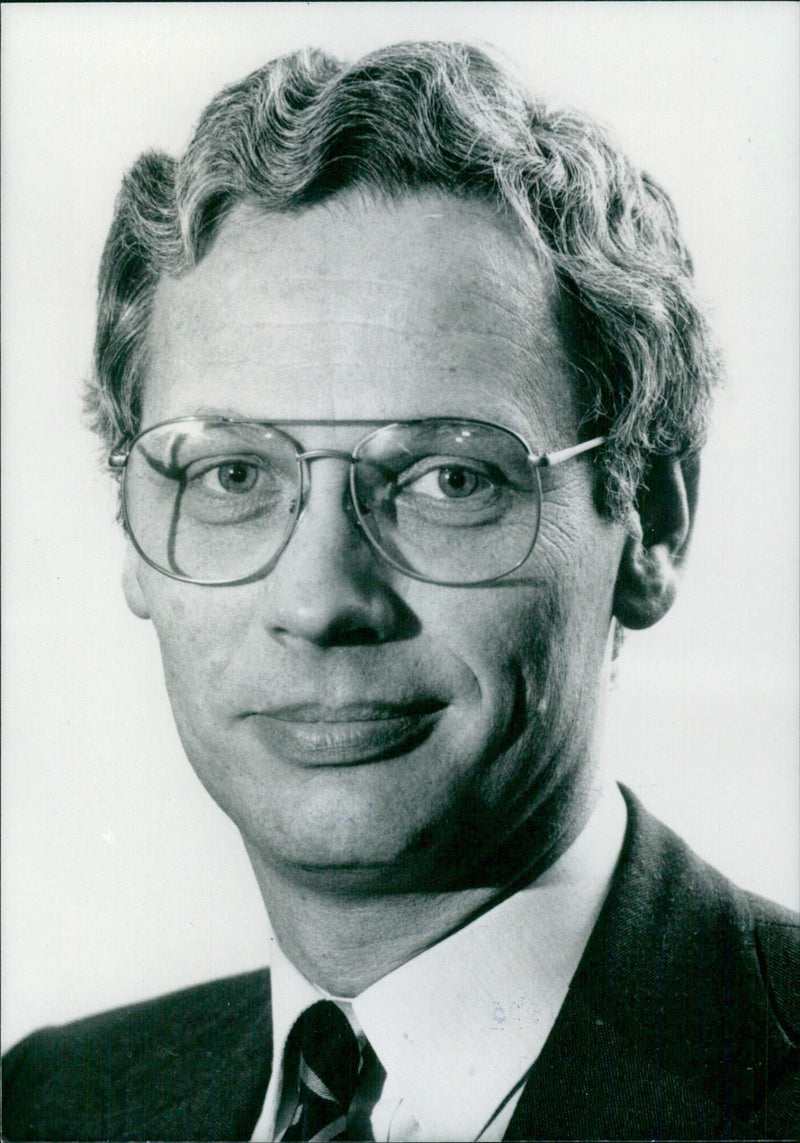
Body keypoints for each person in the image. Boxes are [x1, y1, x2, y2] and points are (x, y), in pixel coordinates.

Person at [3, 40, 797, 1142]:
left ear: (652, 525)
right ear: (131, 531)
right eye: (232, 475)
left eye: (447, 479)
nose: (322, 597)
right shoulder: (52, 1106)